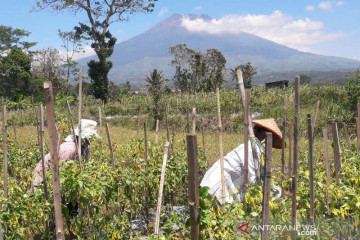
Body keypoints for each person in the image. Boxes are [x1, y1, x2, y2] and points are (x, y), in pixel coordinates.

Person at [200, 118, 284, 203]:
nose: (272, 141)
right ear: (265, 134)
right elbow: (255, 181)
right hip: (217, 188)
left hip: (210, 184)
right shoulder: (253, 150)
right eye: (272, 137)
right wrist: (278, 193)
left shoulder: (251, 147)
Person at [31, 119, 99, 191]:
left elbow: (84, 165)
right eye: (88, 138)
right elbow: (63, 172)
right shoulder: (69, 149)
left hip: (57, 176)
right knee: (43, 198)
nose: (90, 141)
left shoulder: (85, 148)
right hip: (42, 176)